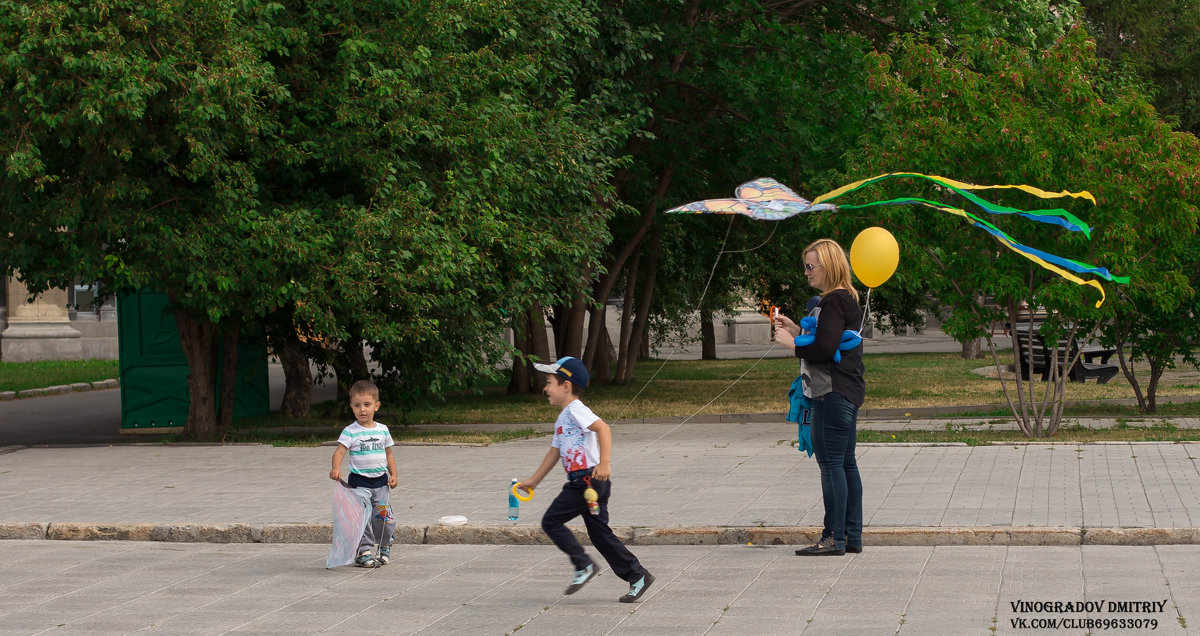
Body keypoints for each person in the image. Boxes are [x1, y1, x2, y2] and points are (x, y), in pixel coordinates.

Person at [515, 356, 655, 603]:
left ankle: (583, 565)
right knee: (600, 534)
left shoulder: (576, 410)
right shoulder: (563, 418)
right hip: (590, 483)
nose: (545, 388)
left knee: (551, 521)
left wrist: (605, 462)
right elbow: (554, 452)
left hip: (587, 481)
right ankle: (638, 575)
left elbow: (603, 428)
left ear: (566, 386)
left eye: (549, 382)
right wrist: (534, 480)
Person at [773, 239, 865, 556]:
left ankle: (832, 538)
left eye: (811, 266)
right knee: (845, 464)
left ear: (828, 266)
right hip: (846, 392)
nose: (807, 272)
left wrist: (791, 344)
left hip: (832, 392)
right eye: (806, 266)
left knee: (831, 466)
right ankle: (850, 536)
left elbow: (824, 351)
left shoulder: (834, 301)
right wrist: (798, 329)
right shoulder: (843, 299)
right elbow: (827, 340)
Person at [329, 379, 398, 568]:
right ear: (351, 407)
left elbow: (389, 454)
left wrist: (394, 474)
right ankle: (364, 551)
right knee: (363, 519)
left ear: (376, 406)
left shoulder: (383, 430)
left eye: (367, 405)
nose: (362, 410)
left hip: (381, 484)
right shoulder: (350, 432)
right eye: (357, 405)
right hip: (359, 484)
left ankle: (385, 546)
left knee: (384, 517)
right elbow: (339, 452)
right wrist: (336, 468)